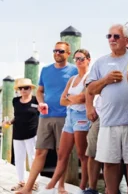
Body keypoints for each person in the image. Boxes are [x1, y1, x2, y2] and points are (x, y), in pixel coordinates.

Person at [17, 42, 78, 194]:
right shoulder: (45, 70)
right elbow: (40, 91)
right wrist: (41, 102)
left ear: (68, 53)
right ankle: (28, 188)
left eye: (61, 51)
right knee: (39, 152)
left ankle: (61, 187)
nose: (57, 53)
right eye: (55, 50)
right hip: (45, 117)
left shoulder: (74, 70)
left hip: (65, 117)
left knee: (61, 154)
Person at [86, 24, 128, 194]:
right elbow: (90, 89)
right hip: (108, 121)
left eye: (116, 36)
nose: (112, 39)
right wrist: (106, 80)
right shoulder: (101, 62)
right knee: (109, 162)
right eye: (109, 36)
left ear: (126, 39)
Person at [38, 49, 92, 194]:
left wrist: (72, 98)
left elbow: (83, 98)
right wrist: (74, 99)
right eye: (76, 59)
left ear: (88, 60)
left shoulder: (90, 77)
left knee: (82, 154)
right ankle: (52, 185)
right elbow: (62, 100)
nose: (79, 61)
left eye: (81, 58)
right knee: (62, 153)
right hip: (70, 116)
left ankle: (83, 187)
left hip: (82, 116)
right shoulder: (72, 79)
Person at [1, 79, 39, 191]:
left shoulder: (36, 100)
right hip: (17, 134)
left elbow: (43, 114)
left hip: (32, 134)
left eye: (26, 88)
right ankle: (21, 182)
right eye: (20, 88)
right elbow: (17, 117)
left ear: (31, 88)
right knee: (19, 159)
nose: (23, 90)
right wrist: (9, 122)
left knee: (33, 158)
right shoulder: (15, 101)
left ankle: (34, 182)